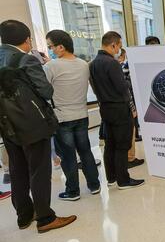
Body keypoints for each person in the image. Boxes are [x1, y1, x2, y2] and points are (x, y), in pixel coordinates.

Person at [0, 20, 76, 232]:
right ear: (26, 40)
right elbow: (46, 92)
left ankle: (24, 215)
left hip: (7, 126)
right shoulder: (25, 59)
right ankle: (45, 218)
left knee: (17, 170)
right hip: (32, 125)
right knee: (39, 170)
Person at [44, 30, 101, 201]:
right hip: (82, 114)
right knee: (85, 152)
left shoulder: (51, 66)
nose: (50, 50)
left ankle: (72, 191)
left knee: (68, 156)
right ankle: (94, 185)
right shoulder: (83, 64)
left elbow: (44, 90)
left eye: (51, 46)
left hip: (62, 117)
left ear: (61, 47)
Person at [89, 31, 144, 189]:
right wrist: (132, 107)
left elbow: (94, 88)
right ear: (113, 45)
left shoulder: (92, 64)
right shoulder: (112, 63)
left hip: (105, 108)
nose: (119, 49)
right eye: (119, 45)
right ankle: (123, 180)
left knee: (110, 144)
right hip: (120, 108)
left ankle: (111, 177)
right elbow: (122, 88)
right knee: (122, 145)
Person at [117, 48, 144, 169]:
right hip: (124, 106)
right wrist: (133, 108)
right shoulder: (119, 69)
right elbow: (126, 91)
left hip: (111, 108)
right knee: (129, 132)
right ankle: (130, 158)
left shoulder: (96, 65)